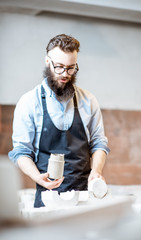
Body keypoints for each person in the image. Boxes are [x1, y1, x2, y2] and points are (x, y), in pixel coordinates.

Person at [9, 34, 110, 208]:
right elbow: (21, 151)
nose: (65, 74)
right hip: (47, 199)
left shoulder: (88, 100)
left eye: (71, 68)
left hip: (84, 199)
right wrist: (36, 176)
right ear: (47, 62)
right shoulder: (29, 102)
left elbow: (99, 143)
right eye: (59, 67)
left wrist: (97, 171)